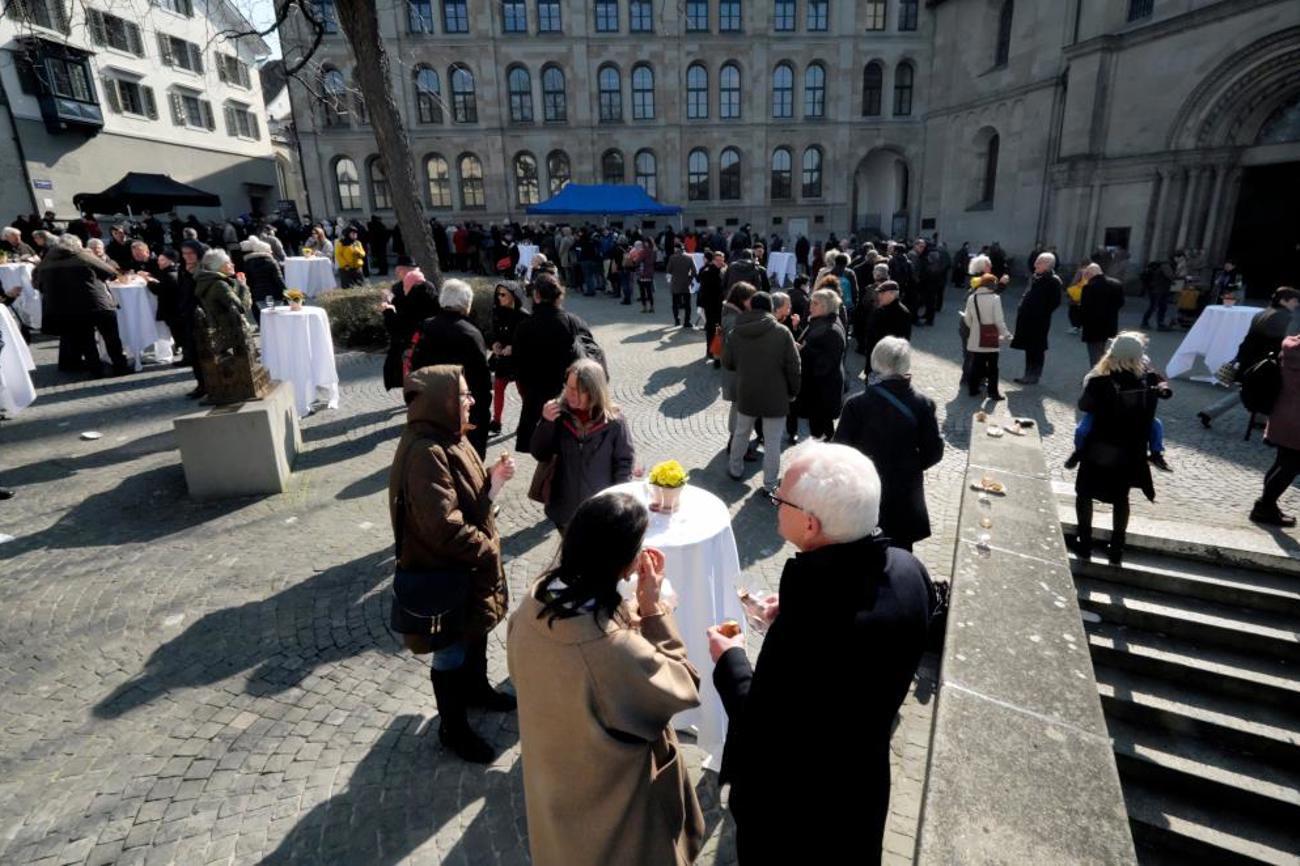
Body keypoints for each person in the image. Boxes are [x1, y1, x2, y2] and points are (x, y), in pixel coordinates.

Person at [707, 441, 934, 864]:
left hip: (795, 819)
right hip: (861, 793)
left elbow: (762, 727)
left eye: (780, 500)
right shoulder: (909, 570)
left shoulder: (812, 625)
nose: (775, 504)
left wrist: (730, 658)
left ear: (810, 525)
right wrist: (793, 606)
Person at [508, 493, 704, 866]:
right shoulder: (614, 650)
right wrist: (654, 611)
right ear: (625, 565)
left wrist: (627, 614)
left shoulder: (533, 605)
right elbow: (681, 686)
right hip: (612, 806)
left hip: (552, 782)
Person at [389, 365, 517, 764]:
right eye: (464, 395)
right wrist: (487, 548)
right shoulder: (425, 453)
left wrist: (492, 480)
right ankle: (453, 728)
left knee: (473, 629)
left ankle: (476, 690)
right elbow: (442, 526)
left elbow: (465, 497)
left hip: (464, 566)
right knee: (449, 650)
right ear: (442, 401)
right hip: (445, 570)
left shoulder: (450, 436)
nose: (472, 401)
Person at [1068, 332, 1171, 566]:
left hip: (1099, 448)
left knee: (1085, 493)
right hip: (1131, 451)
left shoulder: (1100, 381)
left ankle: (1084, 543)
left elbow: (1084, 405)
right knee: (1121, 498)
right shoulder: (1148, 381)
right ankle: (1116, 548)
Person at [835, 337, 944, 552]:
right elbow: (934, 452)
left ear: (875, 362)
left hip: (864, 492)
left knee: (861, 552)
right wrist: (910, 466)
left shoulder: (856, 405)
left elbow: (840, 452)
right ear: (906, 366)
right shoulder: (923, 404)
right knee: (899, 554)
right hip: (904, 494)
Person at [529, 360, 635, 531]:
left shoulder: (615, 422)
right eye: (568, 387)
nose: (569, 394)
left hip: (599, 511)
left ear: (593, 392)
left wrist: (618, 500)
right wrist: (546, 423)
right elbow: (540, 453)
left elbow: (624, 462)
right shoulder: (557, 415)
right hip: (564, 510)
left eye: (577, 390)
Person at [724, 291, 801, 491]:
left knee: (741, 433)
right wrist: (793, 391)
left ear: (750, 307)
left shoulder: (736, 331)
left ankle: (735, 469)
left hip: (746, 391)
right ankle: (770, 484)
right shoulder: (782, 332)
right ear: (770, 308)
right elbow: (794, 366)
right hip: (776, 395)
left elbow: (727, 362)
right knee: (773, 442)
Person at [409, 280, 492, 459]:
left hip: (430, 404)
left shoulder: (426, 327)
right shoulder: (470, 333)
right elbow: (481, 380)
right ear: (466, 305)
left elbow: (415, 367)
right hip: (461, 408)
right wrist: (482, 412)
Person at [512, 273, 596, 452]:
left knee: (544, 450)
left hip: (537, 399)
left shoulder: (524, 327)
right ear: (560, 295)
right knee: (569, 448)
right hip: (569, 397)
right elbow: (591, 359)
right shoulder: (573, 322)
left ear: (536, 295)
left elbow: (518, 369)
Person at [1198, 286, 1300, 428]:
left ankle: (1259, 419)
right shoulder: (1283, 317)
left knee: (1253, 390)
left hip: (1251, 360)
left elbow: (1250, 339)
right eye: (1294, 301)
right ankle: (1212, 412)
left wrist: (1240, 358)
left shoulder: (1263, 313)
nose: (1296, 304)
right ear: (1283, 300)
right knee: (1257, 390)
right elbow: (1280, 342)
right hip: (1265, 363)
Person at [34, 234, 130, 378]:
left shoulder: (46, 261)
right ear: (77, 244)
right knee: (111, 337)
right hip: (96, 303)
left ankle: (96, 371)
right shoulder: (83, 255)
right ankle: (120, 367)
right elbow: (110, 272)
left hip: (69, 309)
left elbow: (37, 284)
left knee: (86, 342)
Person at [1251, 333, 1300, 527]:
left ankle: (1267, 505)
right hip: (1296, 416)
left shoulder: (1293, 345)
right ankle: (1264, 506)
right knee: (1291, 465)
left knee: (1283, 461)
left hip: (1284, 410)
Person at [790, 288, 846, 442]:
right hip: (818, 391)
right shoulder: (822, 321)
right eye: (811, 302)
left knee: (821, 431)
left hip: (822, 392)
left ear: (826, 307)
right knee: (820, 427)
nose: (810, 306)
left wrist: (803, 350)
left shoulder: (832, 330)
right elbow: (813, 342)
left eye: (815, 303)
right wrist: (797, 329)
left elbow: (827, 363)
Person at [380, 256, 440, 391]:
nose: (397, 274)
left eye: (399, 271)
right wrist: (387, 299)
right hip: (419, 338)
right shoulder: (400, 287)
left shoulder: (420, 289)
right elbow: (391, 298)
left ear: (407, 270)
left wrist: (388, 311)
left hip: (411, 339)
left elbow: (401, 320)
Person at [1011, 252, 1063, 384]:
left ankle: (1034, 375)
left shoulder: (1053, 280)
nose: (1035, 265)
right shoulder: (1035, 277)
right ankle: (1027, 373)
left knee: (1037, 347)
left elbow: (1055, 302)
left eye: (1039, 262)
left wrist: (1041, 312)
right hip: (1027, 319)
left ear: (1047, 265)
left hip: (1040, 320)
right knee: (1029, 347)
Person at [962, 267, 1011, 399]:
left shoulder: (972, 297)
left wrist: (975, 328)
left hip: (976, 337)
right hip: (991, 337)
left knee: (976, 364)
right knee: (993, 367)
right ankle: (993, 393)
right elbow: (999, 320)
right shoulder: (995, 298)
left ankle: (973, 389)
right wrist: (1006, 334)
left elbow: (967, 318)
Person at [488, 281, 528, 434]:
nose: (499, 297)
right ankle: (496, 421)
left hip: (519, 361)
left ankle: (525, 422)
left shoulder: (524, 316)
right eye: (497, 294)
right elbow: (493, 333)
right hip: (502, 360)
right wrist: (495, 343)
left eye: (503, 294)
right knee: (498, 388)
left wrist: (514, 348)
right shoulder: (497, 312)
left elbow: (529, 340)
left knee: (523, 393)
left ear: (513, 296)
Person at [1079, 263, 1125, 367]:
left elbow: (1084, 308)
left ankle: (1098, 374)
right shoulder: (1116, 284)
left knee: (1095, 353)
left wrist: (1079, 323)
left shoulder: (1089, 287)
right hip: (1110, 323)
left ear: (1090, 274)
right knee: (1102, 350)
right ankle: (1103, 371)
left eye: (1086, 274)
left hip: (1093, 325)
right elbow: (1121, 303)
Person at [861, 280, 912, 365]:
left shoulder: (902, 314)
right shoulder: (880, 309)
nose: (879, 296)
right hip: (874, 356)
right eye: (879, 293)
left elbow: (904, 340)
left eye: (882, 293)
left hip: (887, 360)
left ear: (892, 294)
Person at [239, 236, 287, 321]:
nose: (271, 252)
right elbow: (279, 280)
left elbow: (249, 283)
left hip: (258, 296)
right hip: (275, 295)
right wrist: (287, 294)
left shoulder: (247, 263)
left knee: (264, 319)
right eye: (269, 250)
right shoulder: (272, 262)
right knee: (277, 319)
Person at [149, 248, 183, 355]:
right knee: (177, 330)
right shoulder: (171, 271)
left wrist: (149, 281)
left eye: (162, 260)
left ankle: (182, 349)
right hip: (174, 309)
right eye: (159, 260)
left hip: (172, 309)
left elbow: (159, 290)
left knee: (177, 331)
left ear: (171, 261)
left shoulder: (169, 274)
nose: (159, 262)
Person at [698, 250, 726, 362]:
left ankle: (715, 350)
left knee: (717, 328)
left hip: (719, 305)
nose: (720, 262)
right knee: (711, 328)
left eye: (721, 260)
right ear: (713, 260)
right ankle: (710, 350)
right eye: (718, 260)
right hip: (711, 305)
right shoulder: (707, 271)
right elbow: (703, 290)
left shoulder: (722, 270)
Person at [1139, 255, 1176, 331]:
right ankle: (1159, 324)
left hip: (1155, 290)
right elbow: (1170, 276)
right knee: (1160, 307)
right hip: (1160, 290)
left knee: (1154, 306)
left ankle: (1147, 322)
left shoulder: (1159, 266)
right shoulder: (1166, 266)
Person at [667, 243, 699, 329]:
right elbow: (694, 271)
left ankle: (677, 320)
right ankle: (687, 322)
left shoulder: (672, 258)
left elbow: (668, 270)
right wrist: (690, 279)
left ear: (676, 249)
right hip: (686, 284)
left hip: (675, 284)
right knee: (687, 304)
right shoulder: (689, 258)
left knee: (675, 303)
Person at [632, 239, 656, 313]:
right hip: (650, 273)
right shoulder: (652, 252)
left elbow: (637, 261)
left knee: (642, 291)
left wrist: (635, 261)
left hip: (642, 273)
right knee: (649, 291)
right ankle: (652, 307)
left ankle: (644, 307)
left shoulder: (643, 252)